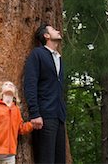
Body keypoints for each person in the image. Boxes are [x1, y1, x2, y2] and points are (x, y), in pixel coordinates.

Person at [24, 23, 66, 164]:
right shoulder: (37, 54)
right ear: (46, 36)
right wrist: (35, 113)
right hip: (44, 117)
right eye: (54, 30)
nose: (58, 30)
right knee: (45, 160)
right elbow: (30, 84)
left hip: (59, 117)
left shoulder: (59, 58)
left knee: (60, 160)